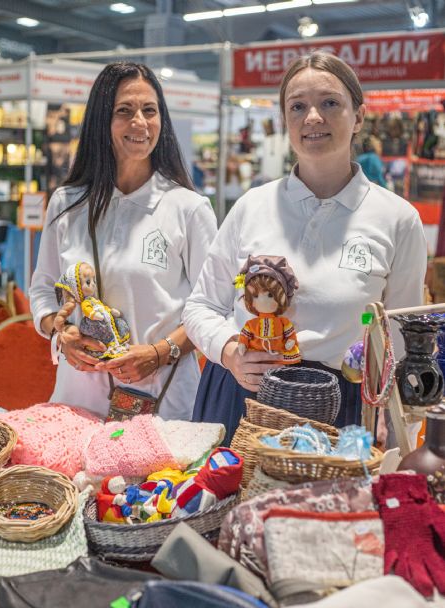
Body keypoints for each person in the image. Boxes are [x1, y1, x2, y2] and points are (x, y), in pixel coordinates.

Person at [183, 51, 427, 445]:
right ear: (285, 120)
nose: (313, 117)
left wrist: (400, 437)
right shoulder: (251, 207)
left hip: (341, 412)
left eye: (329, 103)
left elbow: (399, 342)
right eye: (298, 106)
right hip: (242, 399)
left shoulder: (397, 219)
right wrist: (229, 351)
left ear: (358, 117)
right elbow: (201, 305)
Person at [30, 62, 217, 421]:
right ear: (101, 120)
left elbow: (213, 307)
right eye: (124, 111)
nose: (140, 123)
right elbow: (43, 289)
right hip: (77, 401)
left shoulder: (188, 208)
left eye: (150, 110)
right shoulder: (67, 203)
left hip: (163, 404)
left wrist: (160, 353)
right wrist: (60, 332)